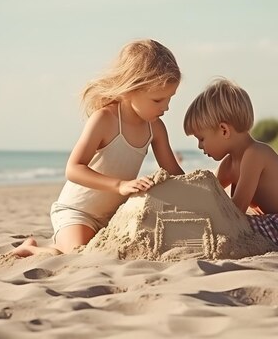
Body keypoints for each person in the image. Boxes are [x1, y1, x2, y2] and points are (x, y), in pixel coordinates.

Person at [12, 39, 184, 257]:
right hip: (78, 211)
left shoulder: (156, 128)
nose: (166, 107)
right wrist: (120, 185)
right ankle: (31, 248)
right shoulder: (105, 119)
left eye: (170, 99)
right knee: (74, 254)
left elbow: (174, 173)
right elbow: (74, 169)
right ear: (131, 89)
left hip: (115, 215)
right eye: (158, 100)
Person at [183, 78, 278, 250]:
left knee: (235, 223)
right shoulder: (228, 164)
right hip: (274, 223)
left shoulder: (255, 154)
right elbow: (211, 195)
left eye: (201, 139)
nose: (199, 146)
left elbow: (236, 210)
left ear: (224, 130)